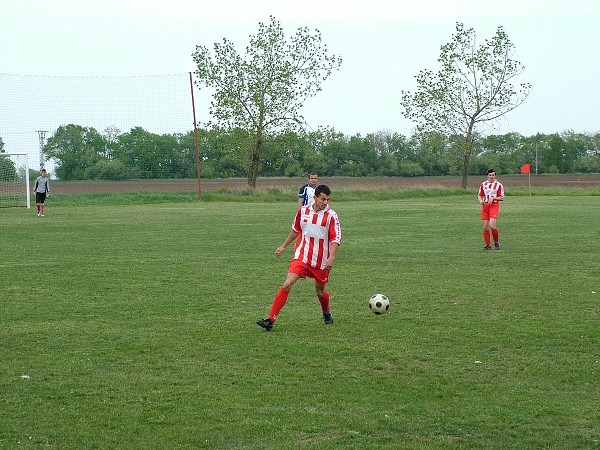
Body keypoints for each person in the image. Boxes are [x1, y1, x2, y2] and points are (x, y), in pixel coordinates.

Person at [257, 184, 341, 331]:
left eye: (328, 200)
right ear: (315, 197)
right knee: (288, 283)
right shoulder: (303, 211)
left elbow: (335, 238)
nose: (325, 202)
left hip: (321, 261)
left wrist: (331, 257)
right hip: (302, 255)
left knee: (320, 291)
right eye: (323, 199)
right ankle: (270, 319)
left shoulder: (331, 216)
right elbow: (296, 230)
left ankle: (326, 312)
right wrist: (283, 246)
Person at [478, 168, 504, 250]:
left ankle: (496, 243)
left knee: (492, 225)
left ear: (495, 176)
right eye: (490, 175)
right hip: (485, 206)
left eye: (493, 175)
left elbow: (502, 198)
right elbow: (479, 195)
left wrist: (493, 198)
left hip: (494, 206)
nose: (491, 176)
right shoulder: (483, 184)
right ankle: (488, 245)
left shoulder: (499, 185)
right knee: (485, 226)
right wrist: (481, 201)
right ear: (487, 176)